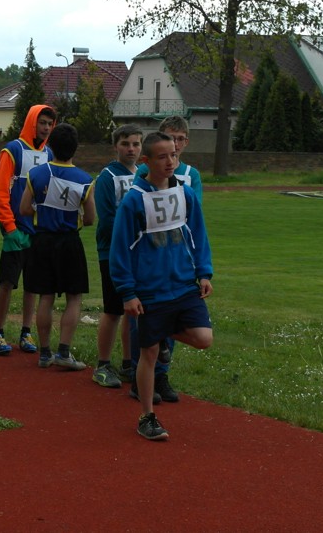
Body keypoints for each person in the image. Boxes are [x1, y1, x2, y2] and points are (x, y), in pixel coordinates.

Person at [110, 132, 214, 441]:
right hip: (150, 289)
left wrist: (204, 272)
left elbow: (198, 234)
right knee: (150, 352)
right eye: (162, 156)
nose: (170, 161)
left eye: (174, 155)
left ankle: (163, 331)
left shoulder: (186, 194)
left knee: (204, 338)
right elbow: (121, 249)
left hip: (183, 284)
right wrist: (127, 292)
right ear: (146, 161)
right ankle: (147, 416)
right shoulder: (133, 201)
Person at [132, 115, 203, 403]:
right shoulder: (145, 172)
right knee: (144, 321)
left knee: (172, 318)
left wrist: (202, 268)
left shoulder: (190, 175)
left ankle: (161, 374)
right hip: (151, 258)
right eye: (170, 138)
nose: (175, 145)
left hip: (178, 258)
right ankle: (137, 372)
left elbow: (194, 212)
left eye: (179, 140)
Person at [18, 123, 95, 370]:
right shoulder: (85, 180)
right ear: (76, 147)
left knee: (45, 296)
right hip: (69, 241)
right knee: (74, 297)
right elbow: (91, 219)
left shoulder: (36, 174)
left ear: (50, 146)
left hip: (42, 241)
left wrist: (42, 211)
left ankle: (44, 353)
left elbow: (24, 209)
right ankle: (64, 351)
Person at [0, 104, 56, 355]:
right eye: (42, 123)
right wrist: (9, 226)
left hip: (39, 231)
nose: (46, 128)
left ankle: (26, 332)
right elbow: (0, 191)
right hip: (16, 228)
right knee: (7, 282)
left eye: (50, 124)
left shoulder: (50, 153)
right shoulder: (13, 149)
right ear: (32, 122)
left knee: (33, 285)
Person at [91, 123, 144, 388]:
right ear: (116, 146)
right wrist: (134, 236)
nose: (131, 149)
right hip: (113, 252)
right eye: (125, 144)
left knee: (132, 310)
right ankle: (102, 365)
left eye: (136, 144)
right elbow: (108, 218)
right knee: (113, 310)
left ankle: (128, 362)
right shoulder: (107, 176)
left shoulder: (144, 175)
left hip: (139, 253)